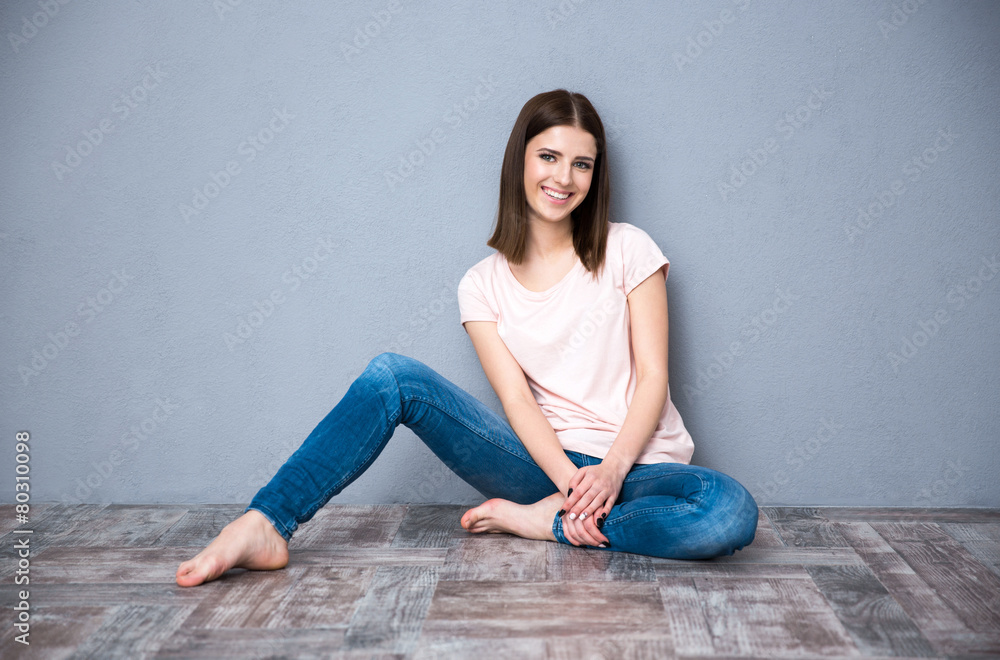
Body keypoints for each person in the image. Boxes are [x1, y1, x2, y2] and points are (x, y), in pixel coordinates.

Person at [175, 89, 758, 588]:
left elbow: (654, 377)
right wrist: (567, 482)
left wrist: (607, 475)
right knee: (391, 376)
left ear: (596, 174)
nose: (563, 177)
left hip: (640, 466)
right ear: (519, 161)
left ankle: (542, 523)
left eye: (582, 164)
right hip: (541, 465)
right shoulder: (481, 285)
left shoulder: (630, 248)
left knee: (725, 514)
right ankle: (265, 522)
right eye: (549, 156)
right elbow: (518, 402)